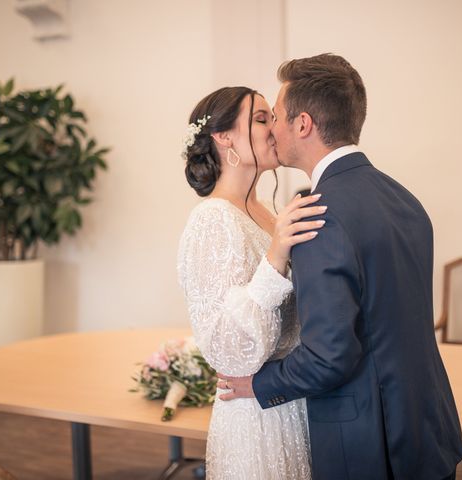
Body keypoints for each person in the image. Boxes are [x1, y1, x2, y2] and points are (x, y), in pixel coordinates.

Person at [218, 54, 462, 479]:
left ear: (303, 124)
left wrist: (258, 385)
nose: (273, 128)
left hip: (372, 442)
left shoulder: (317, 214)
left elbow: (329, 358)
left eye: (276, 116)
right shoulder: (403, 198)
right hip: (427, 427)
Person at [177, 86, 324, 479]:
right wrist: (276, 256)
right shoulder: (212, 220)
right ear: (224, 137)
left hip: (292, 401)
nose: (274, 128)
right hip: (254, 416)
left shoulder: (269, 214)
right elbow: (231, 352)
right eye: (261, 119)